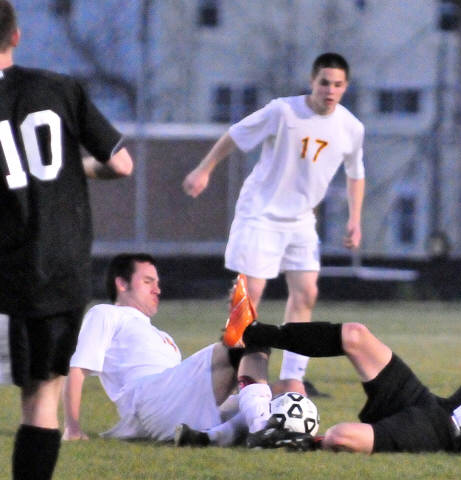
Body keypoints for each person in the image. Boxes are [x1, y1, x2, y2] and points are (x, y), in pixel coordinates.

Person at [0, 2, 134, 478]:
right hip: (53, 267)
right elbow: (121, 164)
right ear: (16, 36)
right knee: (41, 400)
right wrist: (73, 171)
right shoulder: (58, 87)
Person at [182, 52, 365, 396]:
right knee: (249, 296)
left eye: (338, 85)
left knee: (307, 293)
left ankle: (293, 379)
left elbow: (356, 174)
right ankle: (231, 373)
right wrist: (204, 169)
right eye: (324, 83)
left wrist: (355, 219)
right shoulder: (283, 111)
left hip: (301, 219)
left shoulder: (351, 127)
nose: (330, 90)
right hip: (261, 214)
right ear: (312, 82)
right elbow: (235, 135)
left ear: (345, 87)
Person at [224, 304, 461, 453]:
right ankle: (253, 332)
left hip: (439, 433)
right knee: (356, 335)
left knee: (341, 436)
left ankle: (279, 439)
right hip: (428, 404)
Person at [63, 254, 273, 448]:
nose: (157, 290)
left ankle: (210, 436)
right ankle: (261, 429)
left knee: (270, 401)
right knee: (249, 342)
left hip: (174, 402)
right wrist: (72, 427)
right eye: (148, 282)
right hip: (148, 400)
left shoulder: (164, 338)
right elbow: (78, 368)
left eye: (157, 283)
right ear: (122, 284)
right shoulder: (106, 314)